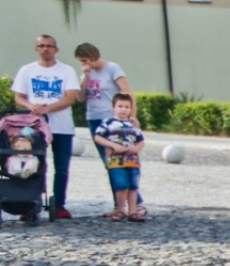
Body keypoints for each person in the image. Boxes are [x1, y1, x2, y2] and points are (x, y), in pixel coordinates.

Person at [11, 35, 80, 219]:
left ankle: (59, 204)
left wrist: (48, 108)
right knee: (32, 164)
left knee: (62, 167)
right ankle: (30, 202)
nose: (45, 49)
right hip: (35, 126)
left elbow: (70, 97)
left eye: (49, 46)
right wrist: (31, 106)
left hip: (61, 126)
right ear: (36, 49)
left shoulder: (66, 70)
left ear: (56, 49)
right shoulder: (27, 70)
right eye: (42, 46)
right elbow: (19, 96)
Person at [75, 43, 143, 217]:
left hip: (113, 121)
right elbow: (80, 98)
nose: (83, 64)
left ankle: (136, 204)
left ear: (93, 56)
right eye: (81, 61)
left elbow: (127, 93)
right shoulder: (86, 73)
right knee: (110, 164)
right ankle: (119, 206)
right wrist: (85, 76)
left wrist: (132, 116)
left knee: (122, 162)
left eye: (85, 60)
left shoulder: (112, 68)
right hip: (94, 118)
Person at [91, 93, 144, 221]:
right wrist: (113, 145)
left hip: (132, 160)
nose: (123, 109)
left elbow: (141, 140)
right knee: (121, 185)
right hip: (116, 160)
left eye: (127, 107)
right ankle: (120, 209)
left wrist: (136, 148)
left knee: (133, 186)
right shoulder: (108, 123)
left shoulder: (133, 125)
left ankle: (133, 211)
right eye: (120, 106)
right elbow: (98, 137)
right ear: (113, 107)